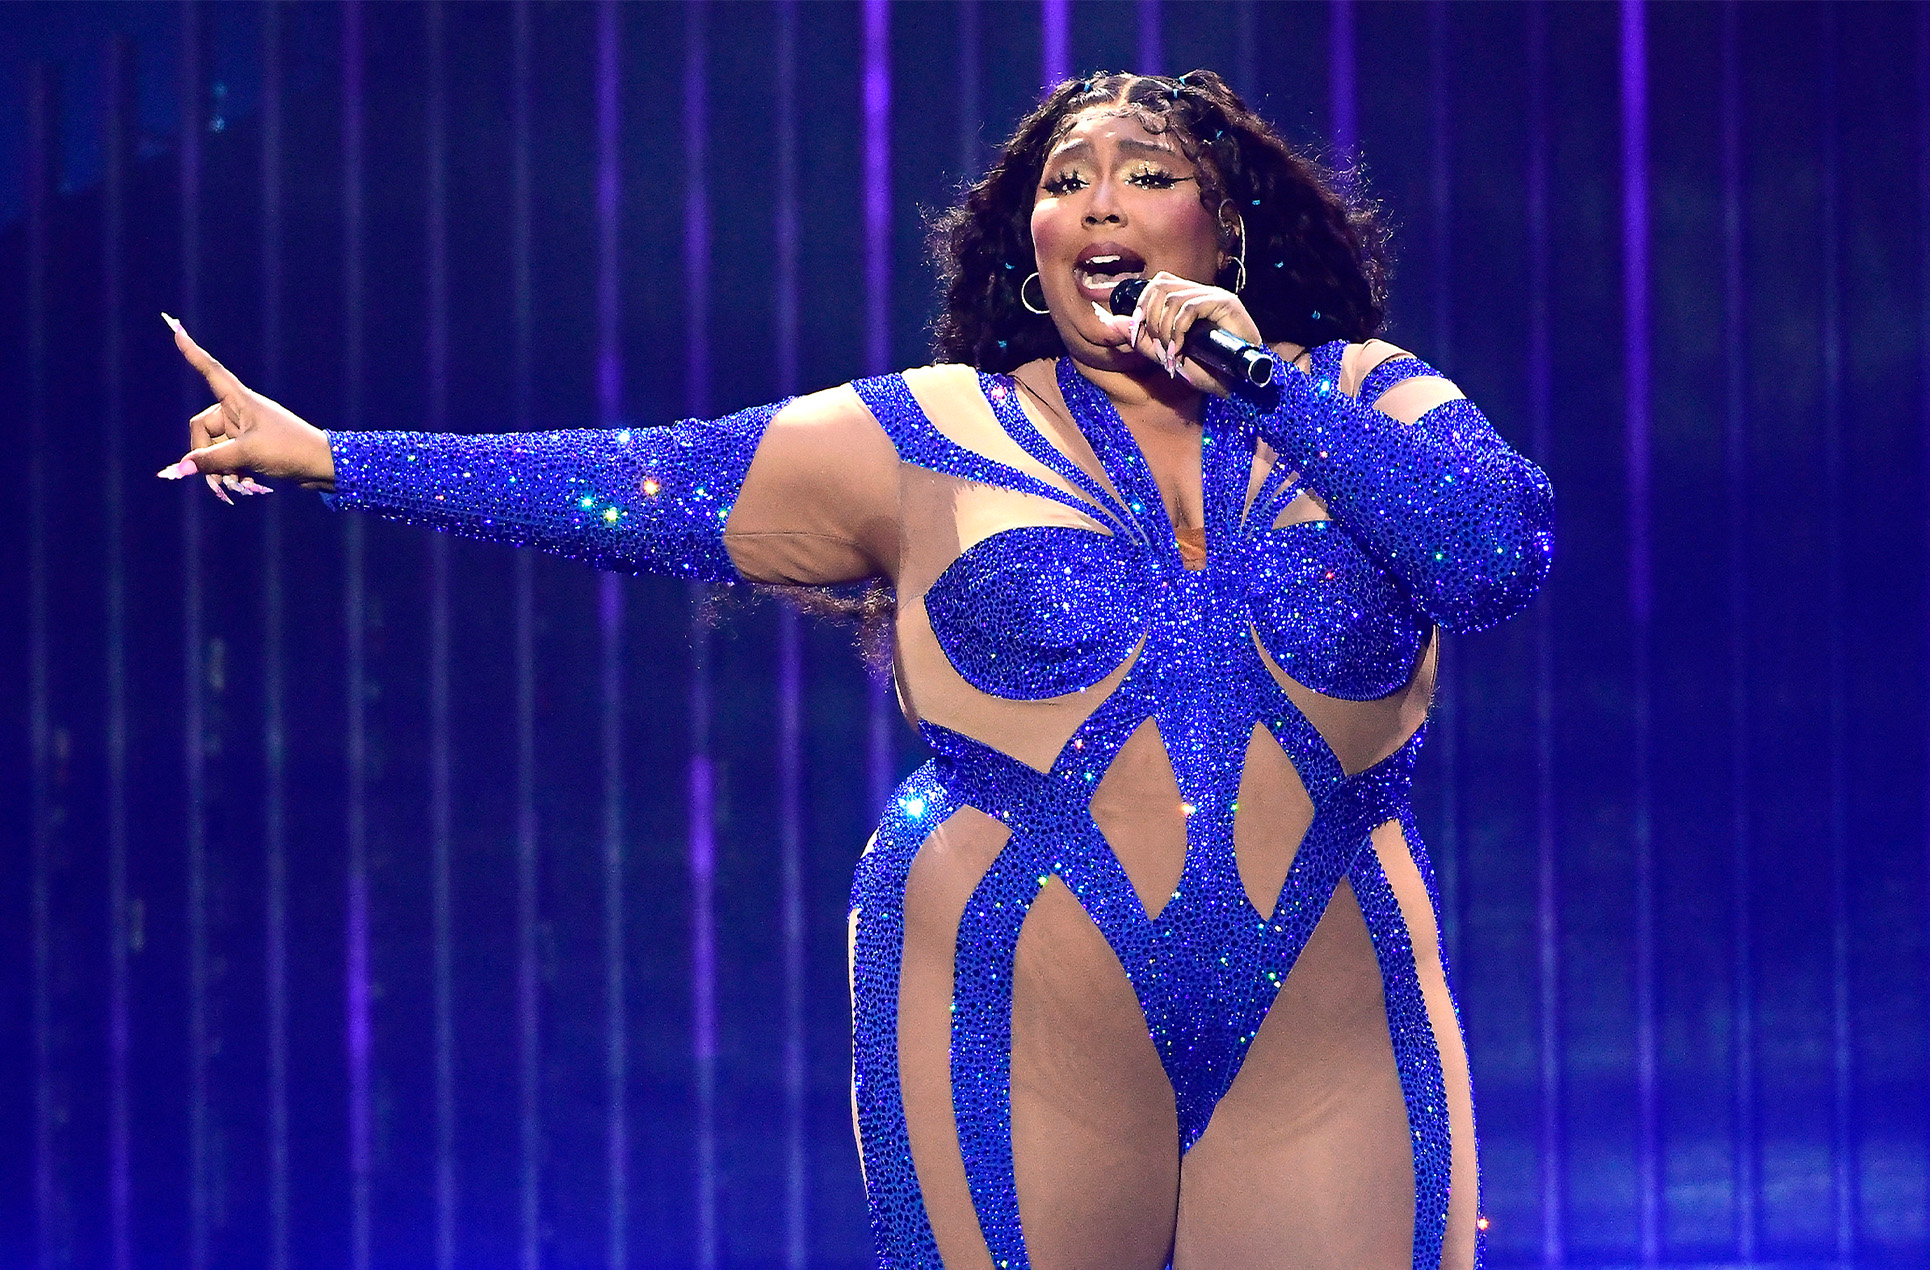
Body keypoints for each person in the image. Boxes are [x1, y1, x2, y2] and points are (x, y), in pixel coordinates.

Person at [161, 69, 1551, 1270]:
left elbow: (1496, 554)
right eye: (1069, 183)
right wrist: (337, 458)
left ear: (1227, 222)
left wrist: (1259, 376)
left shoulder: (1366, 393)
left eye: (1149, 175)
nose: (1105, 206)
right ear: (1032, 240)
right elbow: (650, 482)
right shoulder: (936, 430)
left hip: (1326, 1009)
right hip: (1026, 992)